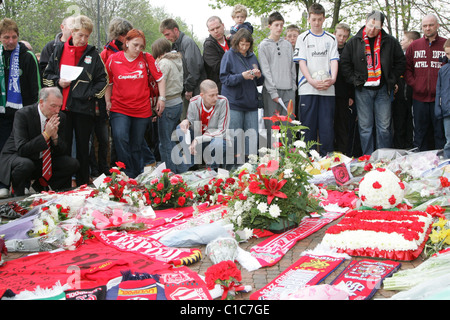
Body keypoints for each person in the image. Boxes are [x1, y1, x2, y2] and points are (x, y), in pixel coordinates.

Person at [43, 15, 108, 186]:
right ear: (72, 32)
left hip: (83, 108)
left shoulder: (93, 54)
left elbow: (103, 80)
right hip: (62, 108)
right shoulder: (58, 50)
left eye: (87, 36)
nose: (83, 39)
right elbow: (46, 76)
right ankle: (62, 184)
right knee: (61, 146)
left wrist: (90, 93)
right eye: (80, 35)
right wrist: (58, 81)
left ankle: (82, 184)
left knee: (83, 148)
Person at [341, 10, 406, 156]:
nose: (372, 29)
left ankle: (383, 158)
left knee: (384, 127)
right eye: (370, 25)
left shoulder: (390, 41)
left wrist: (391, 78)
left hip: (383, 89)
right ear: (366, 22)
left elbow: (401, 62)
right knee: (365, 127)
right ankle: (368, 159)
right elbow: (345, 64)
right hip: (363, 90)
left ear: (381, 26)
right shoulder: (354, 41)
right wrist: (354, 80)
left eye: (376, 27)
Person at [105, 29, 166, 179]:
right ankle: (127, 172)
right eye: (135, 45)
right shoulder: (113, 59)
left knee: (136, 144)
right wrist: (107, 101)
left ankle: (137, 175)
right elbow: (109, 82)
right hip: (119, 107)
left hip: (141, 109)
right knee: (120, 137)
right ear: (126, 42)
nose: (138, 49)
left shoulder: (147, 58)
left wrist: (162, 98)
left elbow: (160, 78)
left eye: (141, 46)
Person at [0, 87, 79, 197]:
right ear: (41, 102)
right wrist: (46, 135)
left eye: (59, 106)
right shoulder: (23, 114)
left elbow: (62, 151)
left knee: (71, 163)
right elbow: (22, 149)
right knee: (25, 164)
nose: (57, 110)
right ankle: (17, 194)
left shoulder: (61, 117)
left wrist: (55, 137)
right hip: (17, 156)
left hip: (41, 158)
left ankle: (56, 192)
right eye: (53, 106)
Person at [0, 18, 41, 198]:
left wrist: (33, 113)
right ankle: (2, 183)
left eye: (14, 37)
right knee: (2, 149)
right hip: (2, 113)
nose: (10, 41)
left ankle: (21, 183)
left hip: (22, 113)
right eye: (6, 37)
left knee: (22, 149)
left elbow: (36, 87)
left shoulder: (27, 56)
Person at [293, 3, 339, 156]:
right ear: (309, 19)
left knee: (327, 128)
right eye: (314, 19)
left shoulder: (331, 38)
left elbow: (334, 60)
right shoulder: (302, 38)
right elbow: (302, 62)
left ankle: (328, 161)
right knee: (308, 127)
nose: (317, 23)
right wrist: (311, 81)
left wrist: (332, 79)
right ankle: (308, 161)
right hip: (308, 88)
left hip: (327, 89)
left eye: (319, 19)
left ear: (324, 19)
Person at [220, 28, 264, 164]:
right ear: (236, 42)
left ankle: (251, 166)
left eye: (247, 44)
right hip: (234, 103)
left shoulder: (252, 56)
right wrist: (241, 76)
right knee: (234, 136)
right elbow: (224, 78)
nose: (244, 47)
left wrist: (258, 76)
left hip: (250, 103)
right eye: (241, 44)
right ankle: (234, 167)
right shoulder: (229, 55)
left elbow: (259, 82)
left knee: (251, 137)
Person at [405, 14, 447, 152]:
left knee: (440, 134)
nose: (427, 28)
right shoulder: (414, 46)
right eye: (425, 26)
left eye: (431, 25)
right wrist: (415, 84)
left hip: (439, 99)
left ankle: (442, 166)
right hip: (419, 98)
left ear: (437, 26)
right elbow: (406, 68)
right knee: (420, 134)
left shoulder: (445, 45)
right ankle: (419, 165)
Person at [175, 80, 230, 173]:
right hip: (198, 138)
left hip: (214, 138)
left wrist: (198, 140)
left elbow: (222, 130)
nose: (215, 98)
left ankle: (212, 169)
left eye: (216, 94)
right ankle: (192, 165)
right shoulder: (193, 102)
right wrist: (186, 122)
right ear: (202, 95)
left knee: (218, 143)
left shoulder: (223, 101)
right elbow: (190, 120)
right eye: (211, 95)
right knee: (180, 129)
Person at [258, 12, 296, 135]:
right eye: (276, 25)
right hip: (271, 92)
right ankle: (272, 154)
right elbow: (265, 70)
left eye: (281, 25)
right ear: (269, 26)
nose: (279, 28)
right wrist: (273, 92)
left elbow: (292, 67)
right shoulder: (263, 46)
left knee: (289, 126)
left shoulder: (287, 45)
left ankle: (289, 153)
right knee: (272, 127)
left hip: (288, 90)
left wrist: (293, 87)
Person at [160, 18, 206, 120]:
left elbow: (194, 68)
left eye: (168, 34)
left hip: (194, 90)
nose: (166, 38)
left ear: (175, 30)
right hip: (186, 89)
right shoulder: (176, 44)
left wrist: (189, 89)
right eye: (165, 35)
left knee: (192, 122)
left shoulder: (187, 43)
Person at [151, 38, 184, 173]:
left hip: (168, 103)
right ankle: (180, 169)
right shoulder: (177, 60)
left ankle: (169, 173)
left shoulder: (164, 63)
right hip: (178, 102)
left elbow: (159, 81)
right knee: (173, 140)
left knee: (165, 142)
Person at [392, 30, 420, 150]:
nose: (401, 42)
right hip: (399, 97)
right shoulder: (399, 56)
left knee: (411, 123)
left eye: (403, 39)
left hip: (414, 96)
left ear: (412, 42)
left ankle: (411, 146)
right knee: (399, 123)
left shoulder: (417, 57)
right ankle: (399, 147)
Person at [333, 22, 354, 155]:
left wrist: (351, 95)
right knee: (328, 125)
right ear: (334, 34)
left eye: (345, 36)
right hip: (327, 92)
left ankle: (342, 153)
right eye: (339, 35)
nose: (341, 39)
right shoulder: (329, 48)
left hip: (344, 93)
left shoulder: (350, 50)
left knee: (342, 125)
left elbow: (353, 73)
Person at [203, 16, 230, 93]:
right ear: (209, 31)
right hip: (219, 88)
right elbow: (218, 67)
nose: (216, 31)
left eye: (218, 27)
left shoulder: (231, 41)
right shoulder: (209, 45)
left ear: (223, 25)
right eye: (212, 29)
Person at [435, 39, 450, 158]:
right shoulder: (443, 70)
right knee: (448, 142)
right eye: (448, 54)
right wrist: (438, 107)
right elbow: (439, 91)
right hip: (447, 111)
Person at [286, 24, 301, 108]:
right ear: (286, 38)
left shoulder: (303, 51)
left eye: (295, 36)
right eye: (289, 36)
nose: (292, 38)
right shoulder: (283, 52)